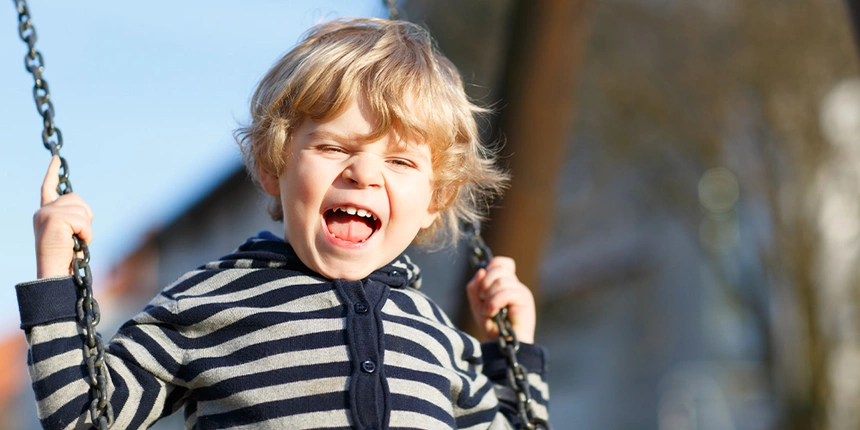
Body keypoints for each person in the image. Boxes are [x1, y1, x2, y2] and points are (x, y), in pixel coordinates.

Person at [17, 18, 549, 429]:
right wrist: (57, 281)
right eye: (335, 146)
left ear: (434, 198)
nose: (363, 173)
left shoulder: (436, 335)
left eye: (400, 161)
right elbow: (86, 416)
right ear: (274, 168)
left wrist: (513, 348)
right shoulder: (210, 302)